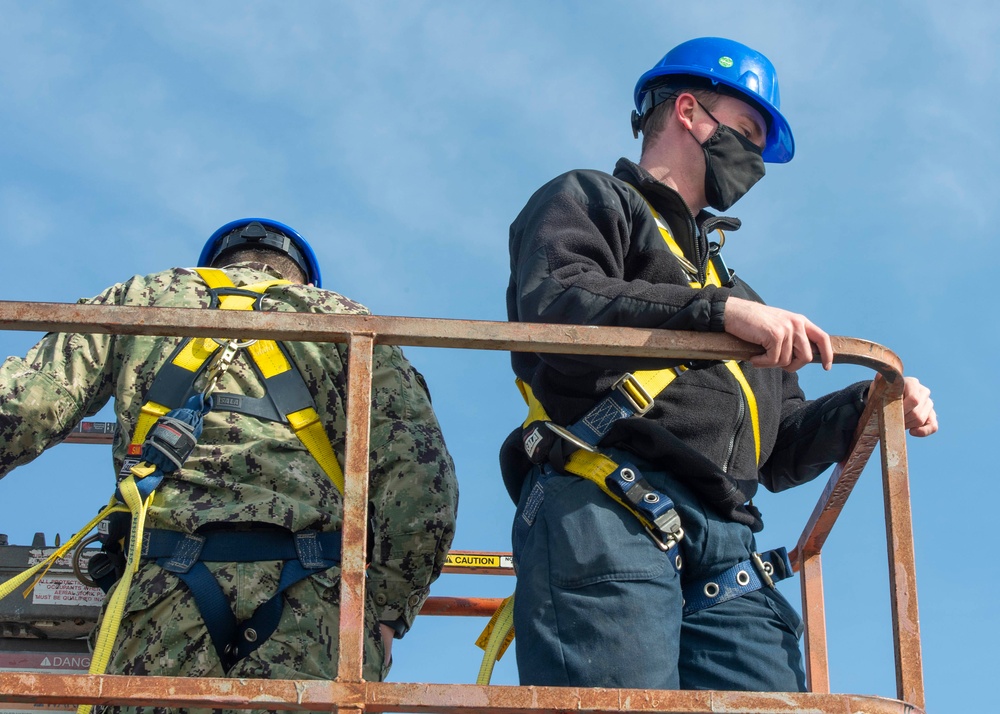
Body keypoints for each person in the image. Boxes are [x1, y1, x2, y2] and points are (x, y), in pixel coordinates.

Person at [500, 37, 937, 692]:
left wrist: (872, 404)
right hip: (610, 499)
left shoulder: (740, 295)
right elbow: (557, 303)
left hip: (727, 542)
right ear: (687, 112)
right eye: (748, 130)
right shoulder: (592, 201)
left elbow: (781, 446)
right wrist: (714, 314)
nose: (755, 156)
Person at [0, 218, 459, 693]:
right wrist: (385, 611)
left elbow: (24, 405)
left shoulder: (143, 297)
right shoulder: (349, 321)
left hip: (157, 607)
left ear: (214, 265)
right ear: (298, 276)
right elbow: (419, 473)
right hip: (313, 616)